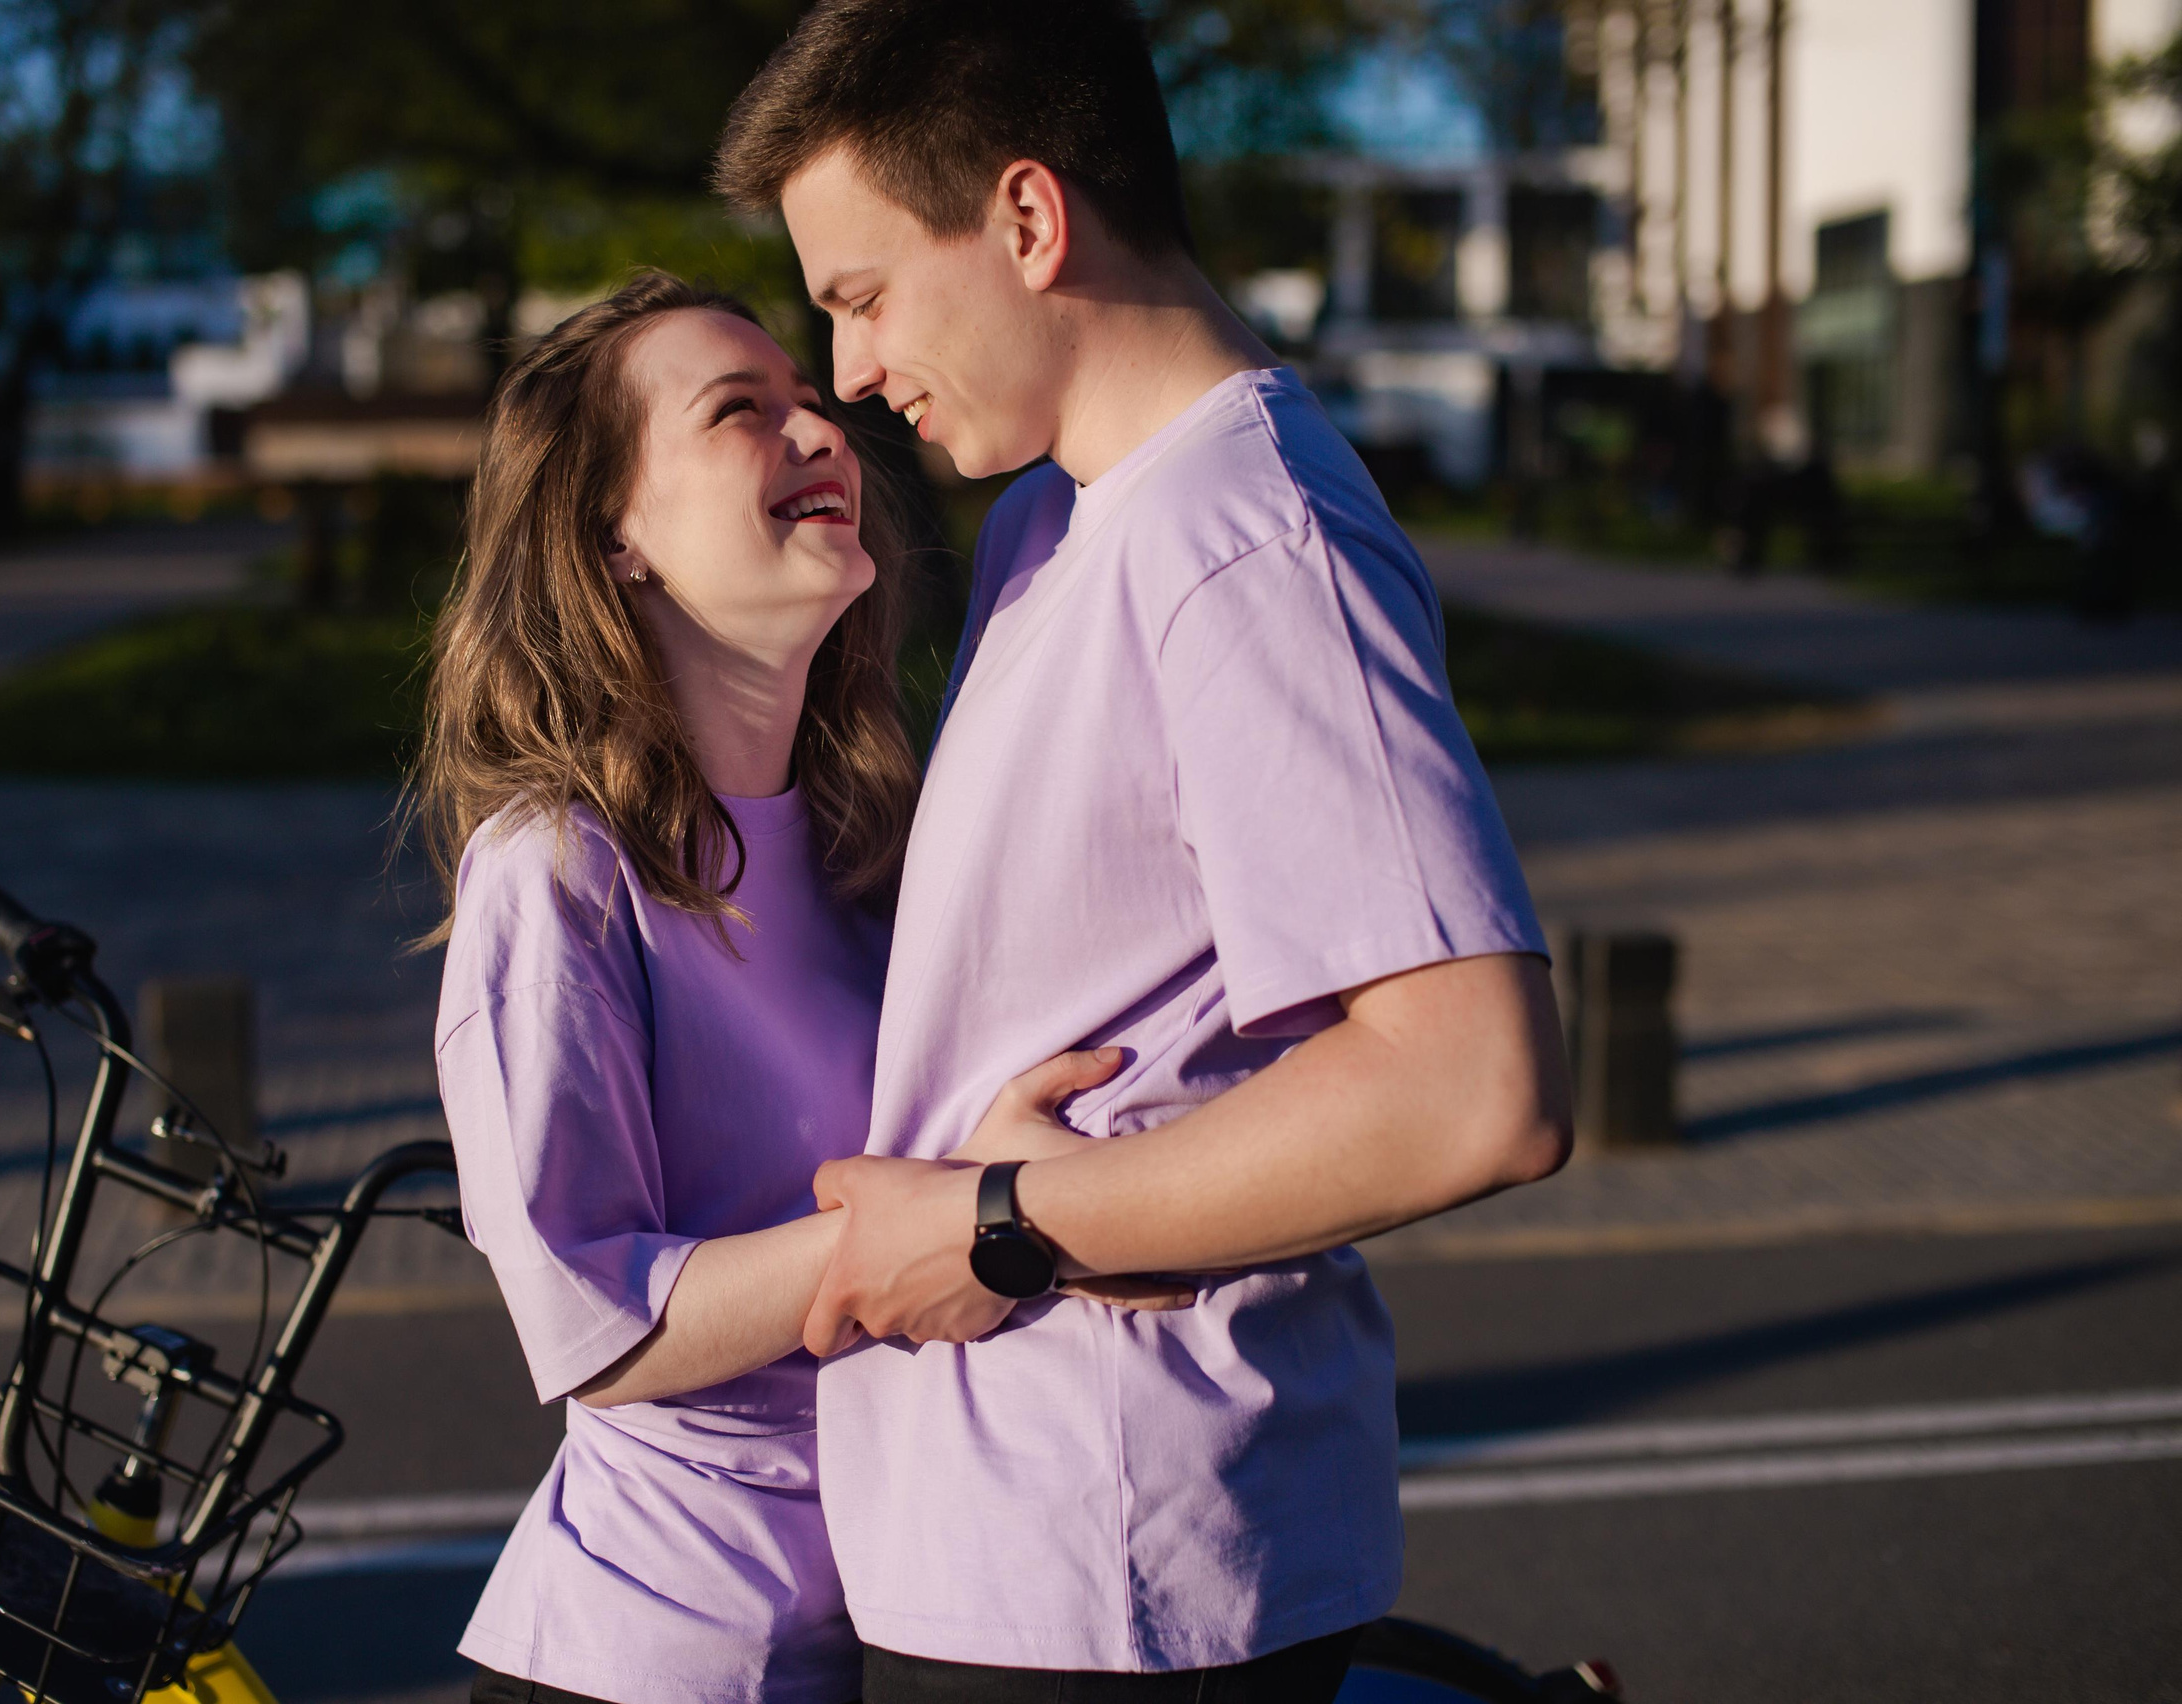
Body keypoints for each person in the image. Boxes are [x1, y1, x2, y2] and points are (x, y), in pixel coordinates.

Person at [712, 3, 1575, 1700]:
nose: (857, 370)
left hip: (1113, 1582)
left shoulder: (1246, 541)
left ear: (1030, 220)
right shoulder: (1061, 511)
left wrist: (1003, 1224)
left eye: (866, 295)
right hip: (1012, 1547)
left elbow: (1476, 1086)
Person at [411, 271, 1185, 1704]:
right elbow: (594, 1323)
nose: (819, 427)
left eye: (813, 402)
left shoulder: (879, 847)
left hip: (919, 1614)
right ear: (616, 537)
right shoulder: (560, 876)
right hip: (664, 1662)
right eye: (741, 412)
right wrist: (968, 1220)